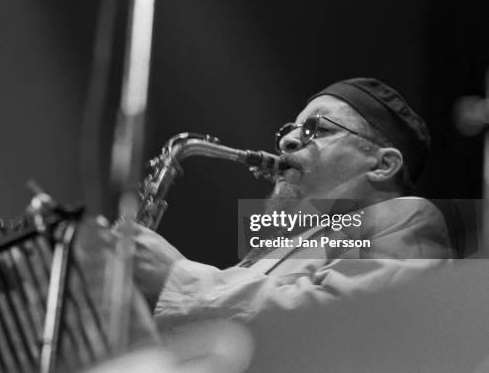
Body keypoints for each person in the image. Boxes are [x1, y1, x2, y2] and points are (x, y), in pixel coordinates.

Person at [132, 78, 454, 329]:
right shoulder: (278, 247)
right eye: (291, 129)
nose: (287, 140)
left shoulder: (412, 217)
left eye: (317, 128)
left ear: (382, 166)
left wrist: (175, 278)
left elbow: (337, 319)